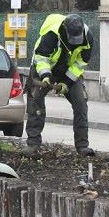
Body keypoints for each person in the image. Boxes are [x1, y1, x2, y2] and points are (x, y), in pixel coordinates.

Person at [26, 13, 95, 155]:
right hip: (44, 67)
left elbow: (80, 63)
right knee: (35, 102)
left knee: (81, 104)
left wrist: (66, 83)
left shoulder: (87, 38)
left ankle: (82, 146)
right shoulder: (51, 34)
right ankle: (33, 144)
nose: (74, 42)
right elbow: (41, 58)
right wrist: (45, 76)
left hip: (68, 70)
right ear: (65, 30)